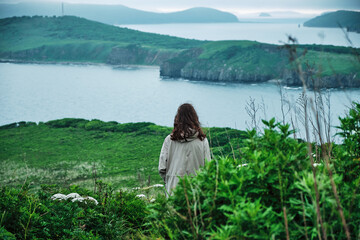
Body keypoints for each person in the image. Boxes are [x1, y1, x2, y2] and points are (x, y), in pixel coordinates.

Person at [158, 103, 211, 197]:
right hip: (196, 190)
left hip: (173, 189)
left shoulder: (169, 140)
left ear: (177, 118)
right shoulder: (202, 141)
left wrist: (169, 180)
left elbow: (162, 168)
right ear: (195, 118)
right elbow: (208, 168)